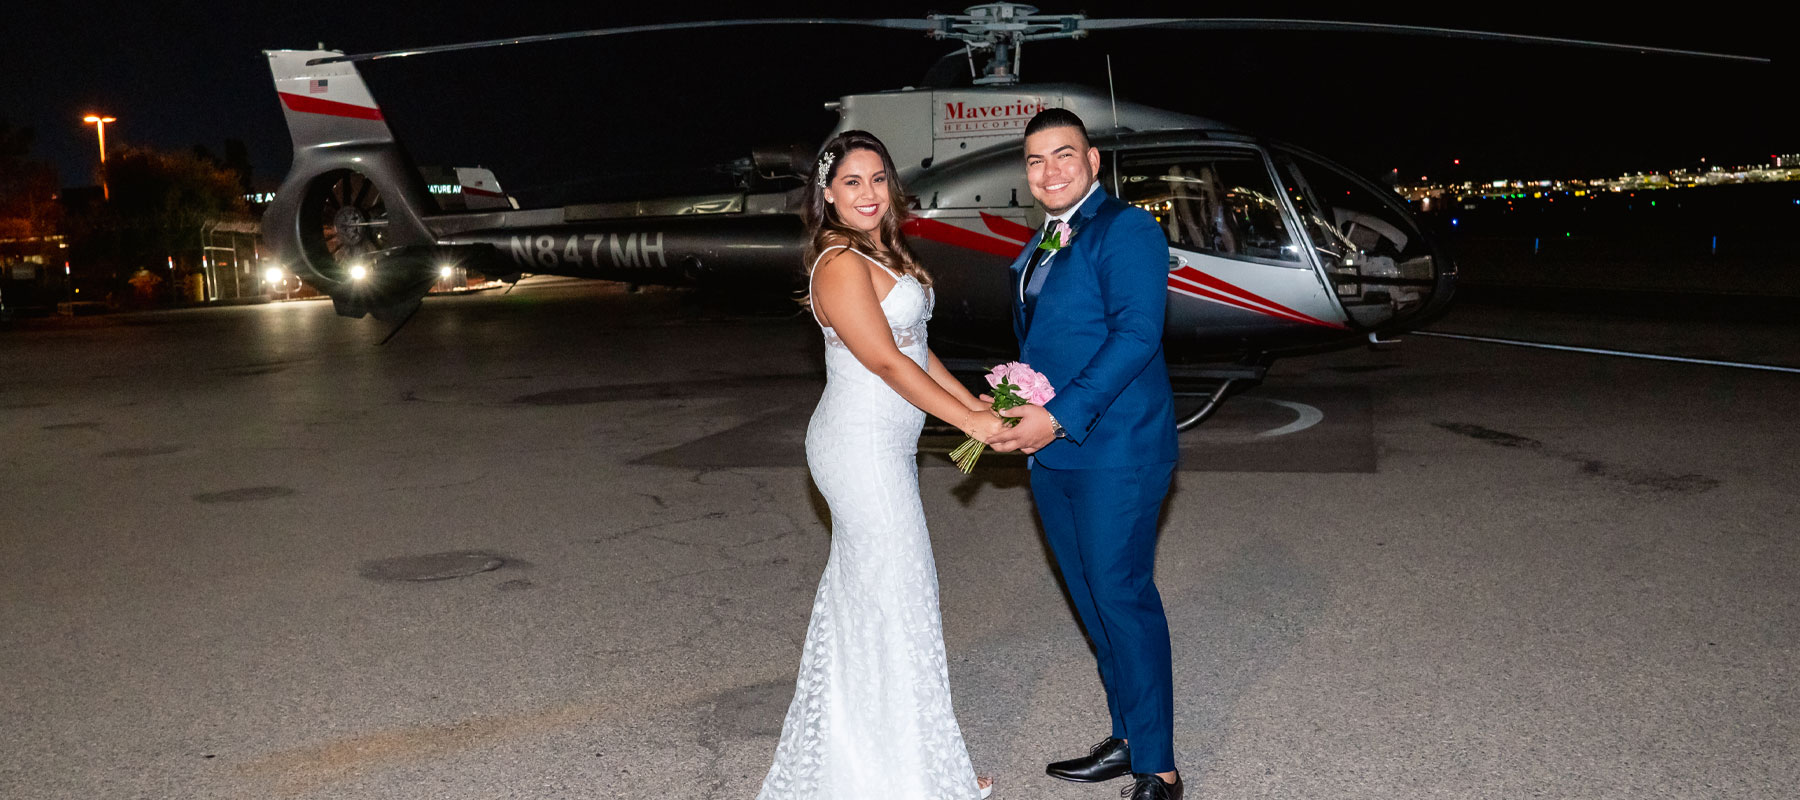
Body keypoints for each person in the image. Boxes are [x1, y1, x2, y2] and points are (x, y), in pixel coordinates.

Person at [757, 129, 1004, 800]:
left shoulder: (882, 251)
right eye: (852, 182)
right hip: (859, 450)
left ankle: (907, 764)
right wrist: (969, 424)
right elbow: (886, 362)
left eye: (878, 179)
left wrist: (976, 404)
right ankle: (910, 776)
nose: (869, 193)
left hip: (883, 448)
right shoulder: (839, 262)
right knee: (899, 600)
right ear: (827, 196)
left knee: (883, 602)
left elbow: (917, 350)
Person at [986, 109, 1183, 800]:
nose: (1049, 171)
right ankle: (1127, 734)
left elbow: (1136, 336)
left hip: (1117, 449)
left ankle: (1157, 767)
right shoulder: (1042, 240)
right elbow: (1052, 337)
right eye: (1036, 161)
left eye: (1064, 155)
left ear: (1093, 161)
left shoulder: (1126, 229)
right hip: (1057, 454)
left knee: (1122, 596)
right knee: (1092, 600)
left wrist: (1058, 415)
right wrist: (1016, 402)